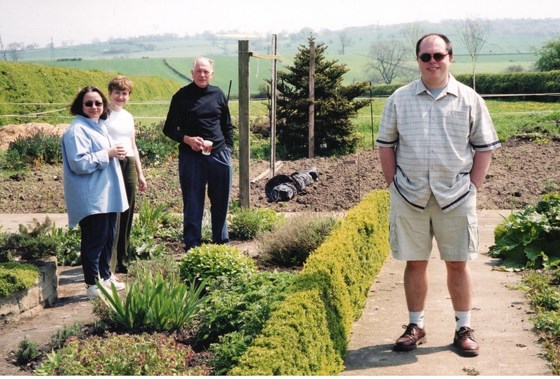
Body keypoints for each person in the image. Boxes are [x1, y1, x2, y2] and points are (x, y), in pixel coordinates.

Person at [376, 33, 501, 357]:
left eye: (438, 55)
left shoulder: (470, 99)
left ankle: (463, 328)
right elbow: (385, 145)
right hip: (410, 196)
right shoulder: (399, 99)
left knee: (457, 264)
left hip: (456, 197)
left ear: (450, 57)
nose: (433, 62)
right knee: (415, 263)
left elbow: (485, 148)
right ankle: (415, 326)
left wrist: (472, 187)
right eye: (426, 56)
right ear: (417, 60)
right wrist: (393, 185)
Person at [62, 85, 128, 299]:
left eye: (98, 103)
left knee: (109, 236)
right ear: (80, 106)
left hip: (106, 194)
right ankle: (92, 284)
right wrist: (107, 153)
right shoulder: (76, 130)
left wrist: (113, 153)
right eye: (88, 103)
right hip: (92, 195)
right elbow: (78, 163)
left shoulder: (98, 126)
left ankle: (105, 277)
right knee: (94, 238)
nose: (94, 107)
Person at [163, 57, 234, 250]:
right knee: (193, 200)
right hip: (191, 157)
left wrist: (227, 148)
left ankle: (220, 242)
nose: (202, 75)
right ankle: (193, 244)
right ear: (191, 72)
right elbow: (168, 129)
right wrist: (188, 139)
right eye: (198, 71)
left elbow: (227, 125)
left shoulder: (218, 94)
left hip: (219, 154)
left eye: (206, 72)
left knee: (221, 200)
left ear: (212, 74)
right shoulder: (181, 96)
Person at [106, 76, 147, 274]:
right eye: (117, 93)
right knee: (113, 212)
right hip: (111, 163)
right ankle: (110, 262)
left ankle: (123, 260)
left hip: (129, 163)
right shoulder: (103, 114)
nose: (121, 97)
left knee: (128, 212)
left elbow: (133, 145)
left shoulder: (128, 116)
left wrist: (140, 173)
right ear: (110, 93)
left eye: (125, 93)